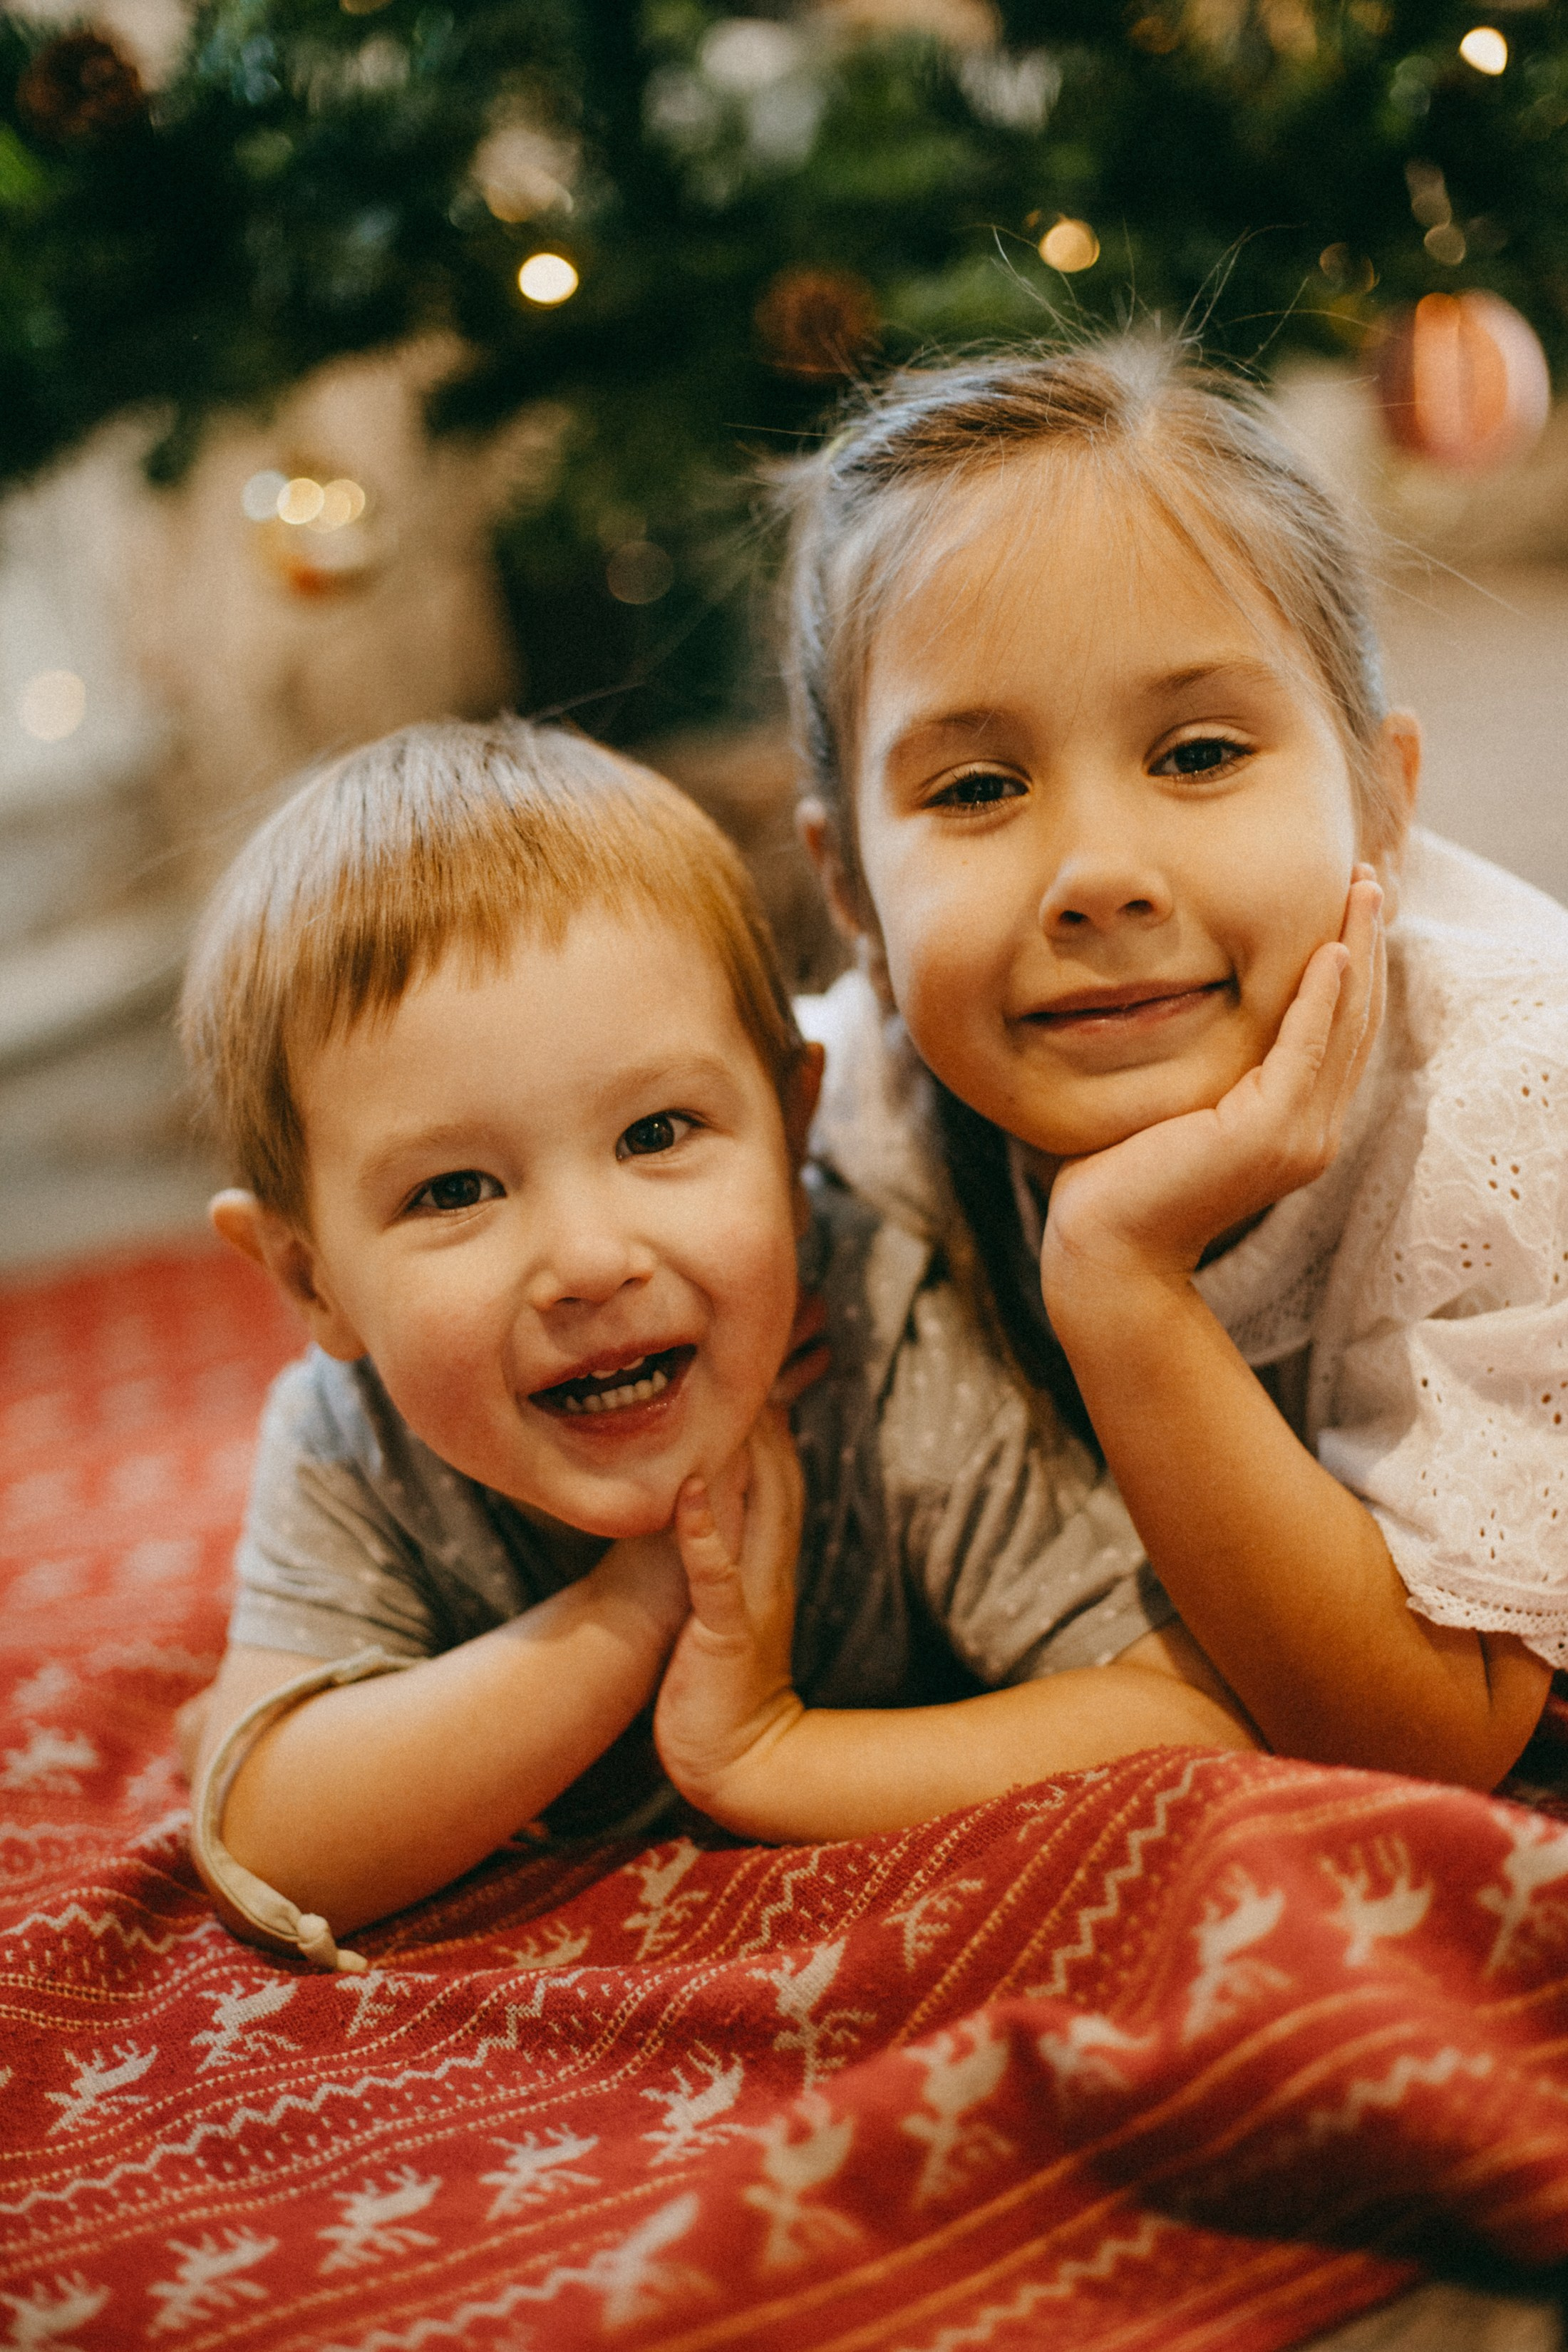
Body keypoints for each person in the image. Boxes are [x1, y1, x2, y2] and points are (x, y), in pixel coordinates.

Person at [654, 336, 1568, 1838]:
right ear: (853, 901)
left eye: (1197, 752)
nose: (1095, 876)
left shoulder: (1499, 1105)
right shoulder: (877, 1078)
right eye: (973, 789)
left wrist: (1115, 1274)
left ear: (1382, 805)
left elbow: (1433, 1739)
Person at [181, 718, 1246, 1969]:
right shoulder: (349, 1435)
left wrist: (770, 1753)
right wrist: (638, 1608)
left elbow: (1183, 1720)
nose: (588, 1260)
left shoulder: (878, 1336)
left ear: (794, 1134)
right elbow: (262, 1840)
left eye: (657, 1134)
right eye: (456, 1191)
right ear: (313, 1281)